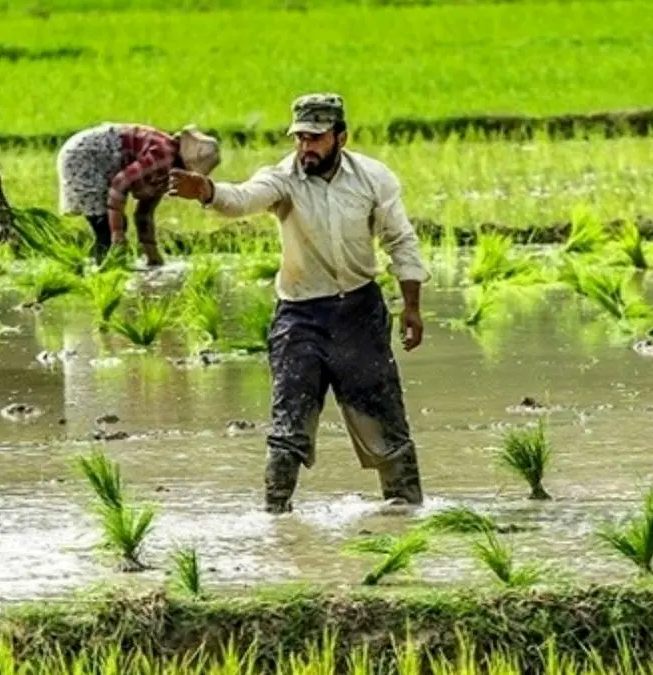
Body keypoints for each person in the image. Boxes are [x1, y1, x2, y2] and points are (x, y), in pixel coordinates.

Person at [167, 93, 430, 513]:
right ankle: (275, 519)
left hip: (360, 314)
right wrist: (208, 191)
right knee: (289, 427)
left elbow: (400, 240)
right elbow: (242, 198)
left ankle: (408, 515)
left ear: (340, 137)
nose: (305, 147)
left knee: (386, 426)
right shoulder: (283, 178)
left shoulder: (373, 179)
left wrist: (412, 306)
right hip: (300, 318)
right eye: (300, 137)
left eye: (316, 138)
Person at [56, 122, 221, 267]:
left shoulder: (169, 171)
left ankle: (98, 269)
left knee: (111, 225)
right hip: (84, 156)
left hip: (94, 155)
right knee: (105, 227)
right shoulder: (163, 156)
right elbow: (119, 184)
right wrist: (118, 234)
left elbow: (144, 213)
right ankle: (98, 274)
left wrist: (152, 255)